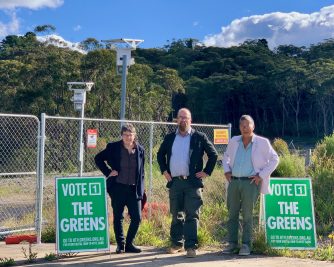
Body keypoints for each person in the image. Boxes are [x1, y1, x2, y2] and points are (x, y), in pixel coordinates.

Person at [157, 108, 218, 258]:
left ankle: (191, 247)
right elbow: (160, 154)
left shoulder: (199, 137)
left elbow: (213, 155)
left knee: (192, 215)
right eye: (180, 117)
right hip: (175, 183)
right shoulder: (170, 137)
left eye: (186, 118)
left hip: (192, 183)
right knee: (176, 214)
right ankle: (177, 244)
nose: (183, 120)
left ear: (190, 120)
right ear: (176, 120)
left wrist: (206, 172)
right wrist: (164, 171)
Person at [222, 115, 279, 256]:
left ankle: (246, 245)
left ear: (253, 126)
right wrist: (226, 171)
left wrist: (261, 175)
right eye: (242, 125)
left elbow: (275, 159)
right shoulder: (234, 141)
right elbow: (225, 156)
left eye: (248, 125)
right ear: (239, 127)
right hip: (234, 182)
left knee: (247, 215)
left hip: (251, 183)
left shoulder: (262, 142)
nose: (245, 128)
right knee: (232, 214)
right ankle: (232, 244)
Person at [95, 123, 145, 254]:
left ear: (134, 136)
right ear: (122, 136)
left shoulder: (140, 150)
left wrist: (141, 188)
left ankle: (129, 244)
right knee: (118, 217)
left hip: (134, 189)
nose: (128, 137)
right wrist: (108, 172)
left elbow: (142, 172)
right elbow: (98, 158)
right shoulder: (113, 147)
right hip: (118, 187)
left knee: (137, 217)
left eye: (131, 135)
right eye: (126, 135)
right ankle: (120, 245)